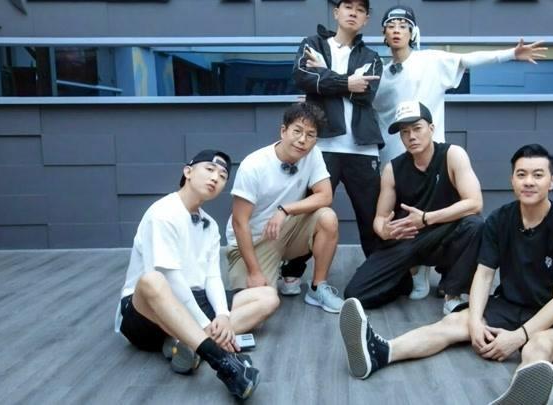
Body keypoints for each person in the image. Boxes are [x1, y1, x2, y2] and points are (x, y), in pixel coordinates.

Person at [339, 144, 553, 405]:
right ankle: (380, 352)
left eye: (538, 175)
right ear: (512, 180)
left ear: (552, 181)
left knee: (538, 346)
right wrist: (475, 322)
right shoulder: (500, 219)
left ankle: (524, 394)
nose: (528, 181)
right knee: (451, 323)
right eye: (521, 174)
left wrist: (518, 337)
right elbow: (483, 276)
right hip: (509, 305)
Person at [374, 6, 548, 300]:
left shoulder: (432, 60)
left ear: (413, 32)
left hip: (434, 161)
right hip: (395, 158)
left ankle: (453, 281)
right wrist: (317, 94)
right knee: (404, 217)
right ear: (384, 33)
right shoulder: (379, 73)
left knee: (452, 220)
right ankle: (417, 274)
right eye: (391, 25)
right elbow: (355, 98)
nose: (397, 30)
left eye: (403, 25)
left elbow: (469, 59)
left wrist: (510, 54)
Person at [115, 150, 278, 401]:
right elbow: (169, 280)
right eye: (209, 170)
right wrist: (204, 323)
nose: (215, 178)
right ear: (188, 172)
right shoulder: (163, 213)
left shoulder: (209, 224)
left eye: (222, 176)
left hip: (192, 301)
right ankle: (222, 361)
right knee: (152, 280)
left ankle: (185, 343)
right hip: (147, 311)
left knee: (268, 297)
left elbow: (212, 276)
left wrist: (222, 315)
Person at [343, 101, 485, 314]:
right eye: (405, 132)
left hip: (444, 231)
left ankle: (453, 293)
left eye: (417, 128)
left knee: (474, 225)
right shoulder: (393, 168)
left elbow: (475, 203)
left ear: (431, 128)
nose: (411, 136)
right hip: (408, 236)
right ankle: (410, 275)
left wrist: (427, 218)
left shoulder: (452, 155)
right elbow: (380, 218)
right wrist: (384, 230)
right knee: (355, 293)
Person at [286, 0, 384, 290]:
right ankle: (291, 272)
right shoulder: (313, 44)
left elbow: (366, 93)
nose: (353, 12)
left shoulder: (371, 56)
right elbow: (303, 78)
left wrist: (325, 75)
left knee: (370, 215)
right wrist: (346, 83)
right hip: (322, 146)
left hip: (362, 149)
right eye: (348, 6)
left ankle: (380, 276)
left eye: (360, 9)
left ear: (366, 19)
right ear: (336, 12)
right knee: (308, 209)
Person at [225, 102, 343, 314]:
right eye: (297, 131)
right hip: (254, 241)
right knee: (257, 309)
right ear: (283, 131)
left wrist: (285, 210)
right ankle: (264, 271)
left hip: (286, 230)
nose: (302, 140)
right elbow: (239, 222)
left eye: (310, 135)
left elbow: (326, 195)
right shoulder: (254, 165)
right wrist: (254, 272)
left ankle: (317, 287)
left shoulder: (312, 154)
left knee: (327, 218)